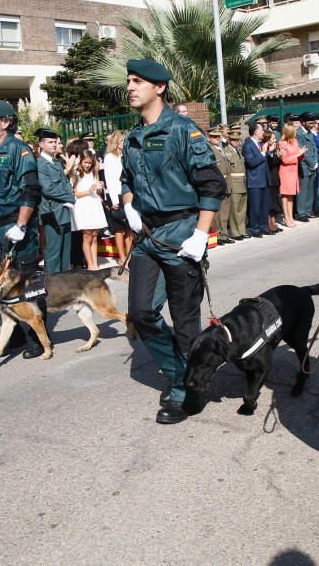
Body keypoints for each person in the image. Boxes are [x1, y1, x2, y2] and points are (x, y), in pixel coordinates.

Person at [120, 59, 226, 424]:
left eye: (138, 81)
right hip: (148, 235)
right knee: (140, 312)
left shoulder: (184, 131)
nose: (131, 86)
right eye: (129, 81)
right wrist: (128, 203)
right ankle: (182, 373)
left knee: (184, 321)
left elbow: (212, 185)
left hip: (182, 234)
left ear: (160, 87)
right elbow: (126, 181)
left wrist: (201, 234)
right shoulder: (132, 137)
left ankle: (188, 390)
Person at [0, 99, 46, 358]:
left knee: (24, 287)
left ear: (5, 122)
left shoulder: (19, 151)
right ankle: (14, 334)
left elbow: (31, 189)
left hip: (17, 228)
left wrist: (21, 225)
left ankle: (36, 339)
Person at [37, 128, 75, 274]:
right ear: (41, 144)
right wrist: (70, 197)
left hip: (63, 211)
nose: (54, 145)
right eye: (50, 142)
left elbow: (64, 183)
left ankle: (64, 287)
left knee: (65, 254)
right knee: (53, 254)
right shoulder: (40, 164)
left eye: (55, 142)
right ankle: (52, 287)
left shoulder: (56, 162)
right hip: (51, 213)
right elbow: (48, 189)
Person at [71, 150, 107, 270]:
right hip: (83, 206)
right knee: (87, 236)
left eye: (90, 163)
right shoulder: (76, 174)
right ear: (81, 162)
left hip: (94, 204)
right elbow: (76, 193)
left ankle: (95, 264)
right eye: (85, 162)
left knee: (95, 236)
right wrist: (89, 190)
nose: (87, 165)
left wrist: (99, 189)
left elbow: (97, 191)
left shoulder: (94, 172)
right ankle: (90, 264)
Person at [103, 130, 132, 264]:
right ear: (116, 142)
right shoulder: (110, 157)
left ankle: (130, 256)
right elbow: (110, 180)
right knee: (119, 229)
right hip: (117, 196)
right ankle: (122, 257)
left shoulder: (127, 155)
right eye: (122, 140)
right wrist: (114, 200)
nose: (124, 143)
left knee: (130, 228)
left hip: (128, 194)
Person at [208, 129, 233, 244]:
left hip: (226, 182)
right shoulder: (210, 150)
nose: (218, 139)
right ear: (209, 137)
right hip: (218, 183)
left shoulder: (221, 149)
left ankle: (224, 234)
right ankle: (218, 235)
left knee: (224, 211)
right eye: (214, 137)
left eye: (219, 137)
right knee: (217, 213)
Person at [224, 130, 250, 238]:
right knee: (234, 210)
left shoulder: (238, 150)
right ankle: (235, 232)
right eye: (233, 140)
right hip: (234, 183)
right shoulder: (226, 151)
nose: (236, 142)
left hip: (242, 182)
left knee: (242, 210)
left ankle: (242, 230)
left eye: (237, 140)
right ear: (229, 140)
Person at [278, 123, 304, 226]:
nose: (296, 131)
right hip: (286, 171)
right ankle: (286, 217)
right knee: (286, 195)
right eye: (294, 130)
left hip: (294, 170)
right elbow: (284, 160)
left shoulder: (295, 141)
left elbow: (297, 155)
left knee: (291, 195)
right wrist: (297, 154)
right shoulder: (282, 143)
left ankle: (291, 217)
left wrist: (301, 154)